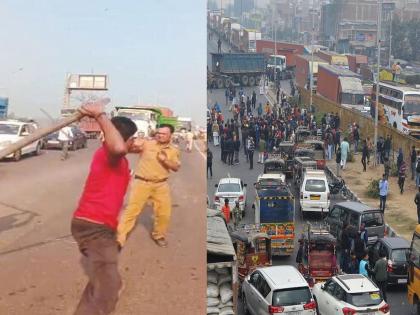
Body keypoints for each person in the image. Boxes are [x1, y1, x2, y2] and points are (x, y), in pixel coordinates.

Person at [71, 102, 138, 315]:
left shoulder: (121, 161)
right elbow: (117, 146)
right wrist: (100, 115)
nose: (135, 142)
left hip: (100, 227)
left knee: (102, 284)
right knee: (108, 288)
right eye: (132, 138)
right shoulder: (110, 154)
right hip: (94, 227)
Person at [117, 124, 181, 248]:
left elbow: (176, 167)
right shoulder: (147, 144)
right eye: (158, 133)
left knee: (164, 213)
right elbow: (129, 148)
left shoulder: (173, 150)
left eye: (163, 134)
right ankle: (119, 239)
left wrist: (164, 160)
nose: (160, 135)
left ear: (170, 136)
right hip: (142, 183)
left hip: (161, 185)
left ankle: (159, 235)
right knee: (131, 211)